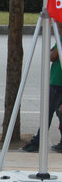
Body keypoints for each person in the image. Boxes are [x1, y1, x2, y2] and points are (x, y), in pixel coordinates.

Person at [21, 21, 62, 152]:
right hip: (56, 81)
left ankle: (36, 143)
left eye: (58, 22)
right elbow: (51, 56)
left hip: (57, 83)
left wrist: (54, 51)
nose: (56, 24)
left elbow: (53, 55)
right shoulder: (60, 38)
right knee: (59, 112)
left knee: (47, 113)